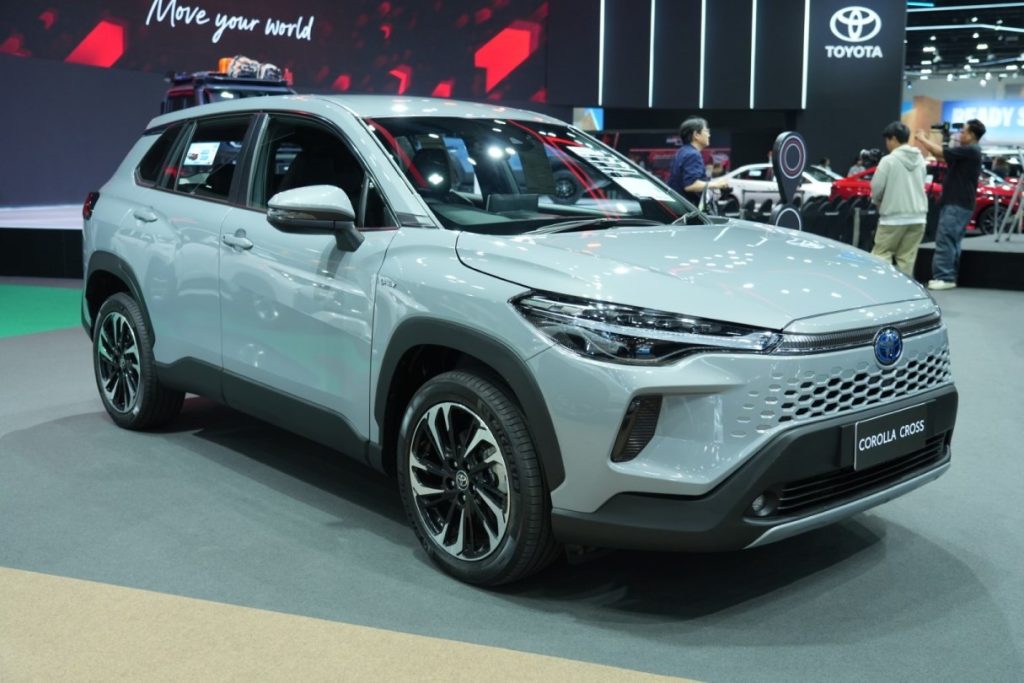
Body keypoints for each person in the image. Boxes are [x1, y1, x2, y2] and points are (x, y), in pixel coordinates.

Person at [915, 118, 986, 290]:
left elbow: (939, 152)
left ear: (971, 135)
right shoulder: (970, 152)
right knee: (952, 240)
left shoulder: (970, 150)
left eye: (964, 131)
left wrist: (922, 139)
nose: (960, 134)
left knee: (945, 239)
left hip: (957, 203)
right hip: (960, 203)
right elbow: (942, 155)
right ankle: (948, 276)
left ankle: (944, 276)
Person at [869, 122, 928, 277]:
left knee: (882, 255)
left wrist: (877, 202)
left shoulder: (888, 160)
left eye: (887, 140)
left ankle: (882, 288)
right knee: (906, 259)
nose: (887, 144)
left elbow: (877, 187)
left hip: (893, 218)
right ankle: (904, 289)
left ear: (893, 138)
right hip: (918, 217)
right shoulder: (920, 159)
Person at [668, 117, 729, 206]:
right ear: (696, 134)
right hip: (687, 208)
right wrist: (716, 184)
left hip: (677, 206)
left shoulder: (682, 151)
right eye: (706, 131)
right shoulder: (693, 155)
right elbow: (690, 185)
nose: (709, 135)